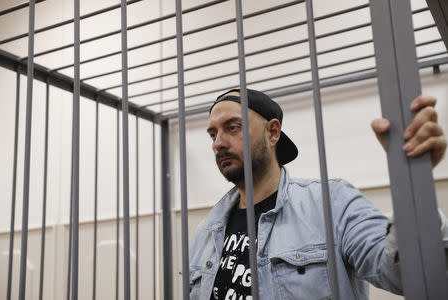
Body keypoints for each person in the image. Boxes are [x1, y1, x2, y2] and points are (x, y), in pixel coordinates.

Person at [189, 88, 447, 300]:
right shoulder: (207, 232)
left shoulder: (331, 204)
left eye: (232, 127)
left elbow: (403, 273)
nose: (218, 143)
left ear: (273, 132)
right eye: (213, 134)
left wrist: (414, 190)